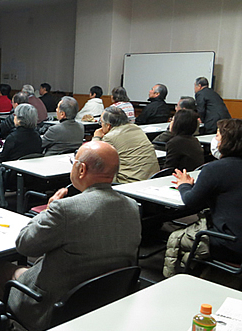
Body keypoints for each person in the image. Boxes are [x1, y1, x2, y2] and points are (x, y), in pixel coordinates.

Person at [0, 141, 141, 331]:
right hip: (105, 298)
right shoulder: (132, 206)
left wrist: (48, 210)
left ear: (81, 169)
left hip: (55, 306)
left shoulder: (65, 210)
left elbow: (24, 245)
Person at [165, 119, 242, 279]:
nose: (215, 140)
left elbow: (191, 202)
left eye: (218, 135)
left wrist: (184, 185)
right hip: (236, 236)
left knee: (175, 237)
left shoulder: (215, 169)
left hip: (229, 243)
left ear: (227, 141)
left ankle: (177, 279)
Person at [93, 106, 159, 183]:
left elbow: (93, 155)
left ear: (108, 126)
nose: (100, 125)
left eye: (101, 122)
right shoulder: (137, 128)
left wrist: (96, 137)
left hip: (129, 182)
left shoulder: (110, 137)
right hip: (151, 178)